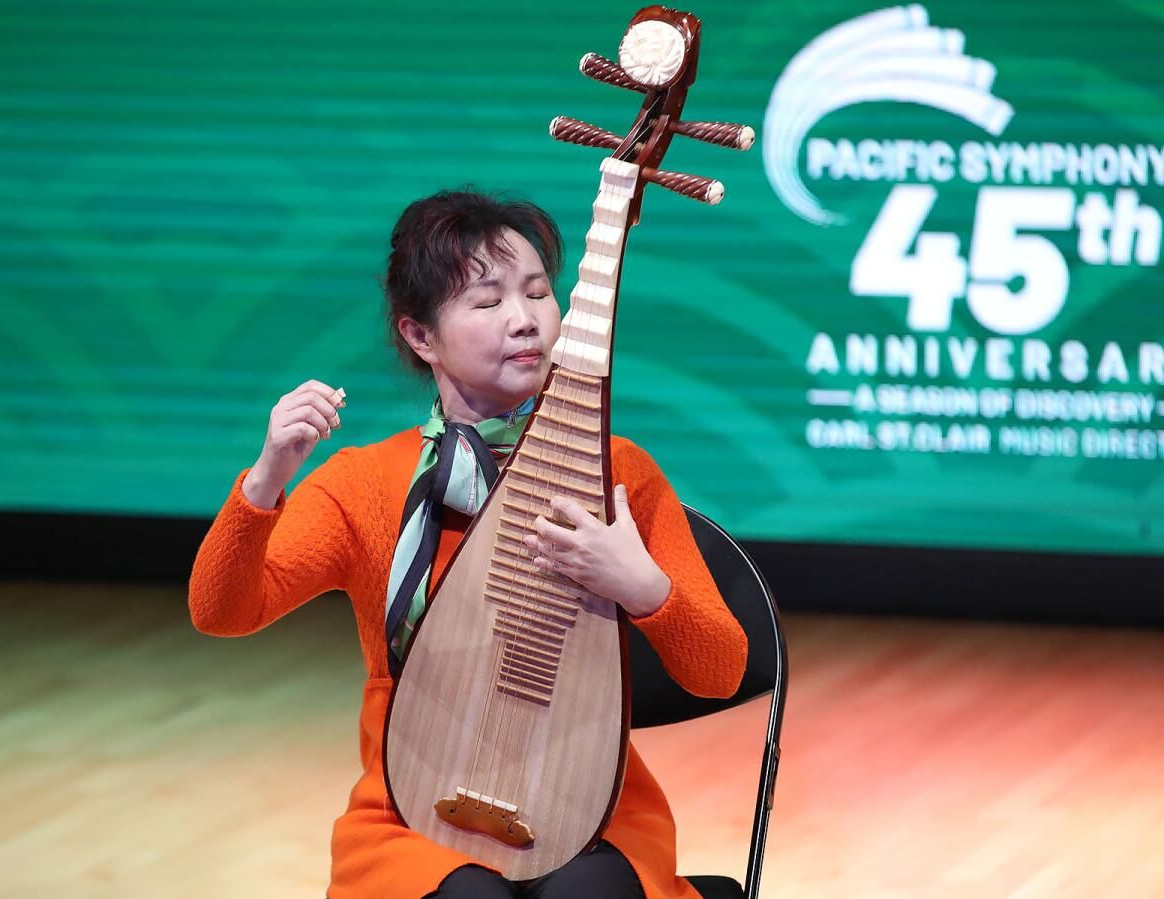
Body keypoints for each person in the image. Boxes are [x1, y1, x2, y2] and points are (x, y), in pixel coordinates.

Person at [188, 190, 748, 899]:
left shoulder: (618, 474)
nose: (525, 319)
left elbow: (721, 671)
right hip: (410, 810)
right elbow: (223, 611)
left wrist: (641, 586)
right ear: (421, 337)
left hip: (589, 808)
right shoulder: (367, 484)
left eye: (538, 293)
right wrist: (267, 478)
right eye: (488, 302)